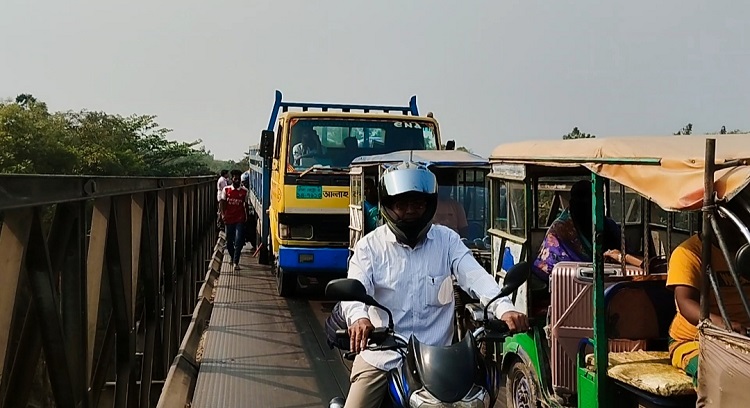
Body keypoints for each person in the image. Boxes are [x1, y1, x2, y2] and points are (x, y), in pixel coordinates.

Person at [340, 161, 529, 408]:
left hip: (440, 361)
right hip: (383, 356)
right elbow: (355, 287)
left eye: (417, 204)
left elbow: (475, 275)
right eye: (402, 204)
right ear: (388, 206)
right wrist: (359, 319)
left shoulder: (446, 240)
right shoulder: (370, 247)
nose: (410, 211)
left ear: (429, 205)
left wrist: (504, 308)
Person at [667, 209, 750, 384]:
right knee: (720, 376)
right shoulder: (689, 252)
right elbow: (685, 301)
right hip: (696, 341)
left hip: (745, 339)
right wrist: (725, 325)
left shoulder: (745, 253)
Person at [532, 180, 641, 282]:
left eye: (590, 201)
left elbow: (627, 254)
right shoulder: (560, 229)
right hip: (568, 283)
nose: (585, 206)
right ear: (572, 203)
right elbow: (549, 269)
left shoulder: (608, 225)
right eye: (580, 201)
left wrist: (614, 257)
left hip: (613, 279)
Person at [219, 170, 249, 271]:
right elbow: (222, 203)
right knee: (229, 241)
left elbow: (246, 205)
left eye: (238, 179)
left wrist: (247, 217)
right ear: (232, 179)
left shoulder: (244, 191)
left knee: (238, 240)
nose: (237, 180)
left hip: (239, 218)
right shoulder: (226, 190)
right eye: (235, 179)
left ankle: (236, 262)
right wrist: (222, 215)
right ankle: (232, 257)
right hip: (229, 218)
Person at [432, 171, 469, 238]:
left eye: (448, 187)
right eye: (443, 188)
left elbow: (464, 230)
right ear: (437, 188)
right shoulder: (430, 206)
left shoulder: (457, 206)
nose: (446, 190)